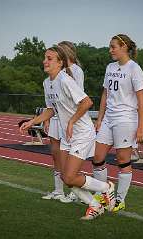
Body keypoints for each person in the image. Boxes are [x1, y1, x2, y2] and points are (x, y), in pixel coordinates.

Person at [20, 46, 115, 220]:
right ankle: (94, 205)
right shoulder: (46, 82)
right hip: (68, 135)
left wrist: (71, 121)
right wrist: (32, 122)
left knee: (70, 176)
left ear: (60, 62)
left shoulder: (65, 80)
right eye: (45, 58)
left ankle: (106, 188)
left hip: (82, 133)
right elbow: (51, 110)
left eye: (49, 58)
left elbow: (87, 102)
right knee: (66, 177)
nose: (45, 61)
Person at [92, 34, 143, 212]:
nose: (110, 50)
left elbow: (141, 99)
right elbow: (105, 94)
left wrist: (141, 126)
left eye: (113, 47)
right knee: (97, 158)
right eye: (110, 47)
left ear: (124, 47)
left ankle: (120, 199)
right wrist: (99, 119)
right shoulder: (110, 67)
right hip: (108, 118)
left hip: (126, 119)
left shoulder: (134, 68)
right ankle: (104, 195)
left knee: (123, 161)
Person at [41, 41, 84, 203]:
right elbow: (51, 103)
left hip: (68, 119)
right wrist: (48, 118)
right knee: (56, 155)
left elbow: (77, 98)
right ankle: (58, 190)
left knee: (71, 157)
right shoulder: (52, 76)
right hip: (56, 118)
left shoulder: (75, 71)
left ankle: (75, 192)